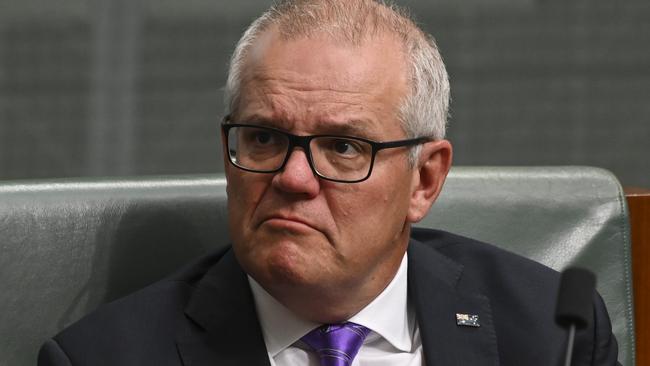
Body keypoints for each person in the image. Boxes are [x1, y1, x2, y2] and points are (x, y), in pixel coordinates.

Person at [38, 0, 620, 365]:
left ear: (424, 179)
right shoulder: (103, 357)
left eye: (343, 147)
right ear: (227, 150)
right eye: (264, 138)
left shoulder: (553, 333)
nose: (293, 178)